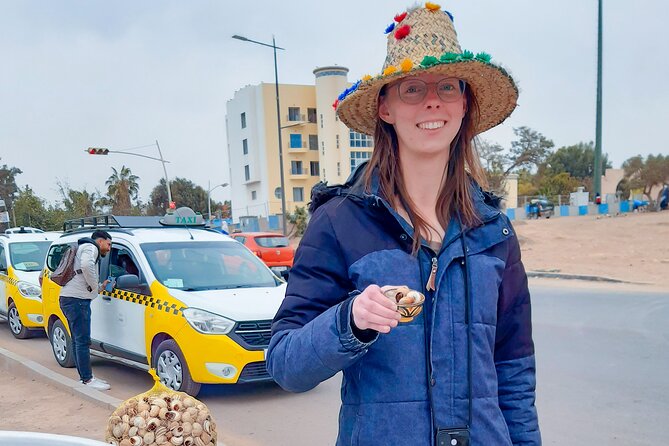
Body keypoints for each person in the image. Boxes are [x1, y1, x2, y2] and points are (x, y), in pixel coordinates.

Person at [267, 4, 540, 445]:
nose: (432, 100)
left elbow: (514, 372)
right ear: (386, 108)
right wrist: (349, 320)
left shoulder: (495, 231)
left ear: (464, 103)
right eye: (413, 88)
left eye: (448, 87)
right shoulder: (339, 222)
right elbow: (285, 364)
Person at [59, 230, 112, 391]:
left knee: (77, 340)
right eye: (109, 244)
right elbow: (86, 265)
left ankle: (84, 378)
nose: (109, 248)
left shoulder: (82, 247)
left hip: (68, 298)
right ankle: (88, 380)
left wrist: (101, 287)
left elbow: (81, 274)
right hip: (77, 301)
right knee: (82, 341)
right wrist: (95, 286)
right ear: (100, 241)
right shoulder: (91, 247)